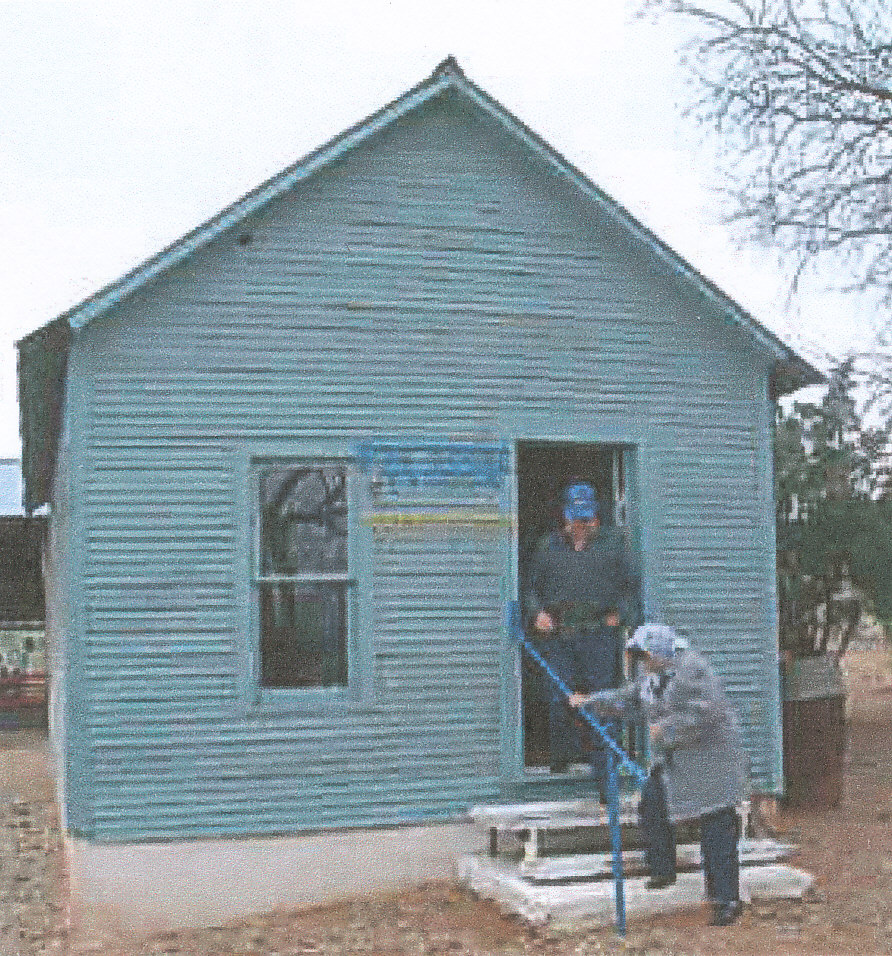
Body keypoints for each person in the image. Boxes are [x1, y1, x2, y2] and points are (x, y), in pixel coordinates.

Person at [569, 624, 748, 927]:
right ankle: (663, 870)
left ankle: (726, 899)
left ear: (660, 650)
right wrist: (591, 702)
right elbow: (628, 700)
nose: (642, 661)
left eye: (645, 655)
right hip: (676, 761)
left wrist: (667, 729)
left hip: (712, 762)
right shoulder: (650, 676)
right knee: (652, 805)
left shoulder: (693, 669)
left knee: (716, 830)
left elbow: (707, 712)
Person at [523, 481, 638, 781]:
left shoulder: (614, 546)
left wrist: (620, 616)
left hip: (599, 635)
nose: (581, 526)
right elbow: (530, 589)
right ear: (565, 517)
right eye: (576, 519)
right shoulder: (547, 547)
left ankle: (606, 771)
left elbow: (631, 590)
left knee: (603, 701)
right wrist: (537, 613)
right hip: (559, 636)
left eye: (587, 519)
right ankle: (563, 762)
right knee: (559, 699)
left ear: (596, 517)